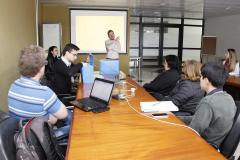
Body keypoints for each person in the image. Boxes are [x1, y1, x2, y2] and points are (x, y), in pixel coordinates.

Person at [8, 45, 71, 137]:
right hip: (39, 139)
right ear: (41, 68)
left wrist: (49, 117)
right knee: (74, 124)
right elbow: (63, 115)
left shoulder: (14, 85)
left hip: (19, 134)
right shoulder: (44, 92)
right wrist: (51, 117)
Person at [189, 62, 236, 148]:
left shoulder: (208, 102)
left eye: (201, 76)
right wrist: (178, 118)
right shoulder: (229, 98)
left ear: (206, 80)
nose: (199, 79)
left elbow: (193, 131)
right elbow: (199, 118)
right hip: (217, 144)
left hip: (204, 145)